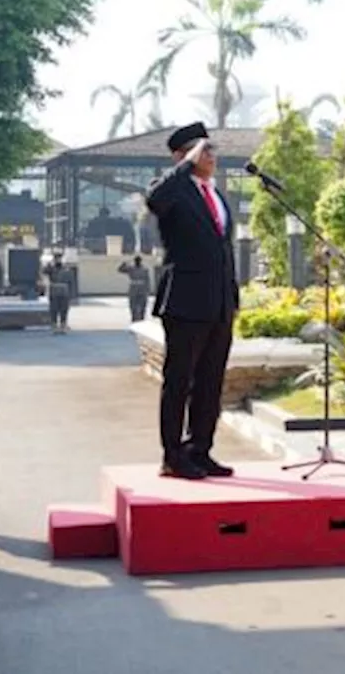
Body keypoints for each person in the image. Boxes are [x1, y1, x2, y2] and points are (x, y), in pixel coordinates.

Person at [145, 123, 238, 480]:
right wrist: (185, 166)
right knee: (179, 380)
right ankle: (172, 455)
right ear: (181, 155)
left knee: (210, 381)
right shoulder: (173, 190)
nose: (211, 157)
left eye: (212, 151)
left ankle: (200, 448)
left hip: (219, 302)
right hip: (185, 301)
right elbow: (155, 201)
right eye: (203, 151)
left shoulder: (214, 193)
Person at [44, 252, 74, 334]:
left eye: (59, 258)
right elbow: (44, 272)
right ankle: (54, 326)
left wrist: (72, 295)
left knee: (64, 309)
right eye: (56, 258)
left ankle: (63, 326)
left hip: (64, 291)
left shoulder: (66, 268)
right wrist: (50, 264)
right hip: (54, 291)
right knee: (54, 309)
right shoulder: (51, 267)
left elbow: (71, 281)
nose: (58, 260)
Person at [119, 256, 151, 322]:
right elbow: (120, 270)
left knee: (143, 304)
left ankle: (142, 318)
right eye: (136, 261)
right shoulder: (131, 268)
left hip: (142, 288)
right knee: (133, 304)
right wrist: (123, 264)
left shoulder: (145, 269)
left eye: (138, 261)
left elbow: (147, 280)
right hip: (133, 288)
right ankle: (133, 317)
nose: (137, 262)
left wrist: (148, 289)